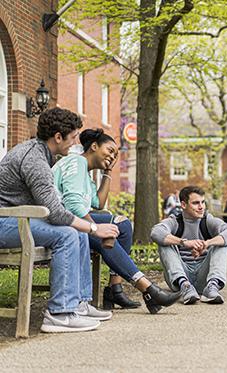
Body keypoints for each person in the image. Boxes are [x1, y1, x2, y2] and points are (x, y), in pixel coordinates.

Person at [0, 108, 119, 333]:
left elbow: (54, 206)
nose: (76, 143)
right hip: (5, 220)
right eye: (73, 137)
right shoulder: (34, 159)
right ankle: (59, 313)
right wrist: (95, 228)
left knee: (77, 230)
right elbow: (54, 213)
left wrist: (87, 228)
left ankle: (79, 304)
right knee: (67, 233)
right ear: (57, 137)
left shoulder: (42, 154)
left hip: (18, 218)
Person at [52, 128, 181, 314]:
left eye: (115, 154)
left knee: (122, 224)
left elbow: (98, 202)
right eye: (110, 150)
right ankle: (148, 289)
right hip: (61, 221)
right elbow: (73, 205)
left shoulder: (85, 173)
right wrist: (96, 229)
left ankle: (115, 288)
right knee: (114, 228)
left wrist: (108, 172)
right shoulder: (76, 161)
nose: (112, 156)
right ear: (94, 146)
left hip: (71, 220)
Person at [151, 186, 227, 305]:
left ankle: (212, 287)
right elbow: (155, 232)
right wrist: (184, 242)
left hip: (204, 277)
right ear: (183, 204)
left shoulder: (207, 220)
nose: (201, 207)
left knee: (222, 242)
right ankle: (185, 286)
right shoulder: (175, 221)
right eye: (196, 203)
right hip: (180, 276)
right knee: (165, 242)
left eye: (203, 202)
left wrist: (206, 244)